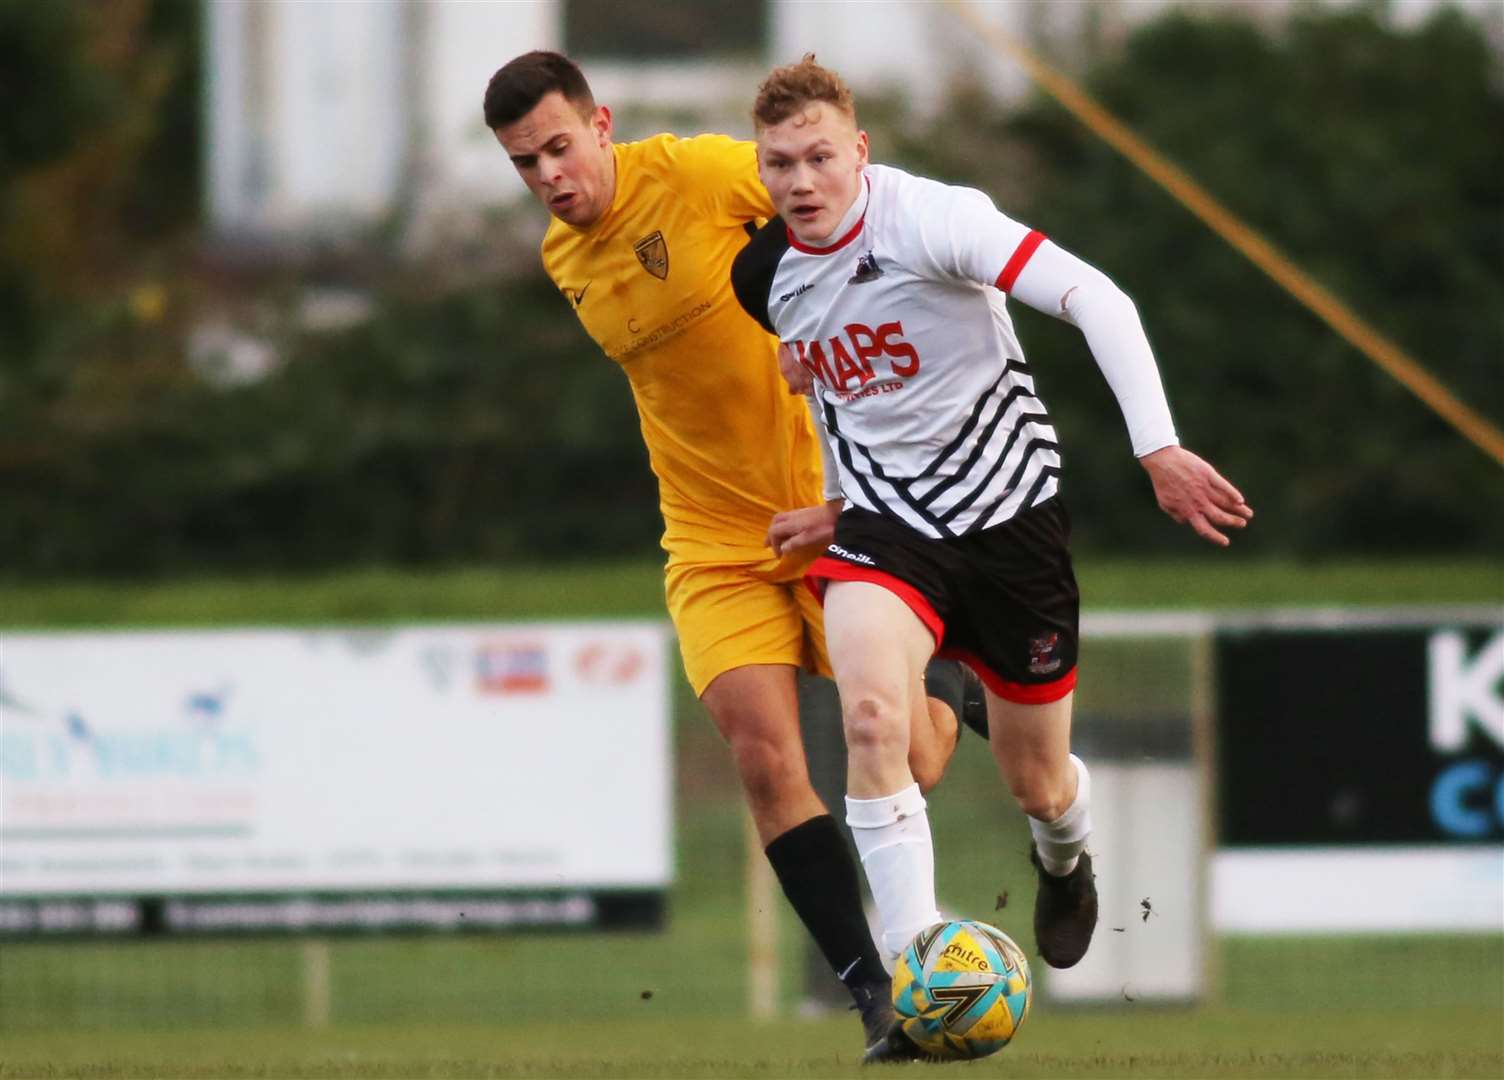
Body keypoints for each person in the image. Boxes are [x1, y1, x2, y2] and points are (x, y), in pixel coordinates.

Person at [731, 56, 1253, 1062]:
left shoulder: (935, 220)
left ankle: (1065, 857)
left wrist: (1156, 448)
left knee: (1037, 781)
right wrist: (839, 502)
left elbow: (1095, 297)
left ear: (860, 153)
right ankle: (913, 983)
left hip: (1012, 528)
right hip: (886, 533)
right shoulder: (767, 276)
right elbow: (835, 396)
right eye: (778, 164)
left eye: (819, 158)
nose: (799, 182)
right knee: (876, 724)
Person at [482, 51, 987, 1054]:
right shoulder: (564, 258)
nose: (547, 175)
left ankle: (960, 678)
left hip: (837, 511)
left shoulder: (708, 175)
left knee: (913, 753)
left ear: (601, 124)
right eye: (523, 163)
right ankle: (876, 995)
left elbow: (851, 206)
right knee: (764, 759)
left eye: (556, 146)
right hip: (711, 541)